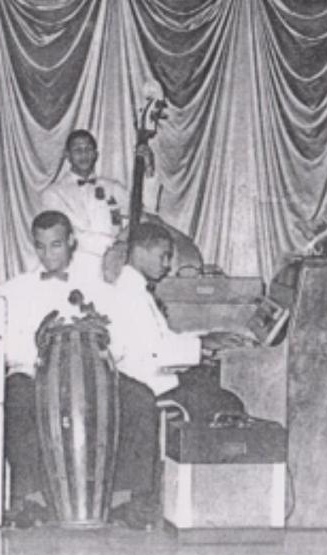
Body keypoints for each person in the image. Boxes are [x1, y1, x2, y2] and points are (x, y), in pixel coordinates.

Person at [102, 221, 253, 529]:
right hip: (150, 385)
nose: (168, 264)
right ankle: (215, 498)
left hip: (152, 378)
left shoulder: (135, 290)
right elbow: (158, 353)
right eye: (164, 255)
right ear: (140, 250)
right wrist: (203, 345)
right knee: (226, 403)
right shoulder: (130, 296)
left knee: (211, 389)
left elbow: (164, 339)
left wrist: (207, 337)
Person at [0, 210, 115, 528]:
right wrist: (40, 345)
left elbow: (119, 341)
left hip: (87, 379)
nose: (48, 255)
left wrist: (101, 337)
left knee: (136, 398)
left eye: (56, 245)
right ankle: (29, 497)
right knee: (18, 400)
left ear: (71, 243)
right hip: (31, 374)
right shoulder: (13, 290)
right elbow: (6, 347)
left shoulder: (98, 288)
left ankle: (124, 497)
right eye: (40, 246)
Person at [40, 130, 153, 278]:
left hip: (116, 267)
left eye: (88, 149)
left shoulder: (114, 187)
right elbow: (69, 234)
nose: (84, 154)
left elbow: (143, 216)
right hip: (77, 269)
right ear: (67, 155)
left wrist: (148, 169)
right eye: (77, 150)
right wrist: (116, 243)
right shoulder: (53, 194)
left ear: (95, 154)